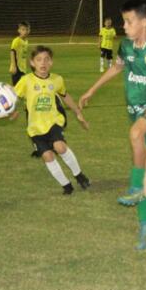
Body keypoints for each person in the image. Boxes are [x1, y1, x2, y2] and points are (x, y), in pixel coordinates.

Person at [80, 0, 146, 250]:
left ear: (144, 22)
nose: (124, 26)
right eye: (124, 21)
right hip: (134, 106)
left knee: (136, 133)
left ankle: (136, 186)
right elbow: (116, 68)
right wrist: (91, 90)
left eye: (129, 22)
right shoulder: (126, 46)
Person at [11, 46, 91, 194]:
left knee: (60, 147)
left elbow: (65, 96)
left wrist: (77, 112)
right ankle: (66, 185)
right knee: (48, 156)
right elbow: (13, 97)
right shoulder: (26, 80)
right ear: (32, 63)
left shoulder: (57, 79)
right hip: (35, 128)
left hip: (54, 121)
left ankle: (79, 176)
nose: (43, 63)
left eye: (47, 59)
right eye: (39, 59)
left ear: (51, 62)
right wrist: (12, 111)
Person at [9, 21, 30, 85]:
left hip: (23, 68)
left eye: (27, 30)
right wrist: (13, 65)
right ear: (19, 30)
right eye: (23, 30)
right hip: (17, 68)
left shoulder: (26, 41)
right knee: (17, 86)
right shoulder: (16, 40)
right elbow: (12, 52)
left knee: (21, 86)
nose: (25, 32)